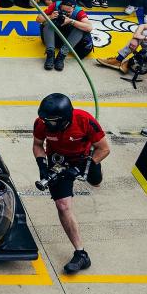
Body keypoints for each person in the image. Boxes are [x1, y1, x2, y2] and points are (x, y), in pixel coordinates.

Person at [33, 93, 110, 274]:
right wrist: (42, 165)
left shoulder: (85, 121)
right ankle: (81, 254)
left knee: (96, 181)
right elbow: (37, 144)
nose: (47, 124)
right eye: (45, 120)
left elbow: (104, 148)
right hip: (58, 161)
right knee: (62, 205)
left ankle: (94, 176)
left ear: (64, 119)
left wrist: (86, 165)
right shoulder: (41, 123)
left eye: (51, 121)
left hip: (84, 159)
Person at [39, 0, 93, 71]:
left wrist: (72, 21)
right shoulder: (55, 5)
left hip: (69, 40)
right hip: (53, 38)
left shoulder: (79, 12)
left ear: (74, 9)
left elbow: (89, 27)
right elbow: (38, 19)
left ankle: (62, 54)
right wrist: (50, 17)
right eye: (63, 11)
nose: (65, 14)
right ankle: (50, 54)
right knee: (47, 23)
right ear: (60, 6)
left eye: (68, 12)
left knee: (81, 29)